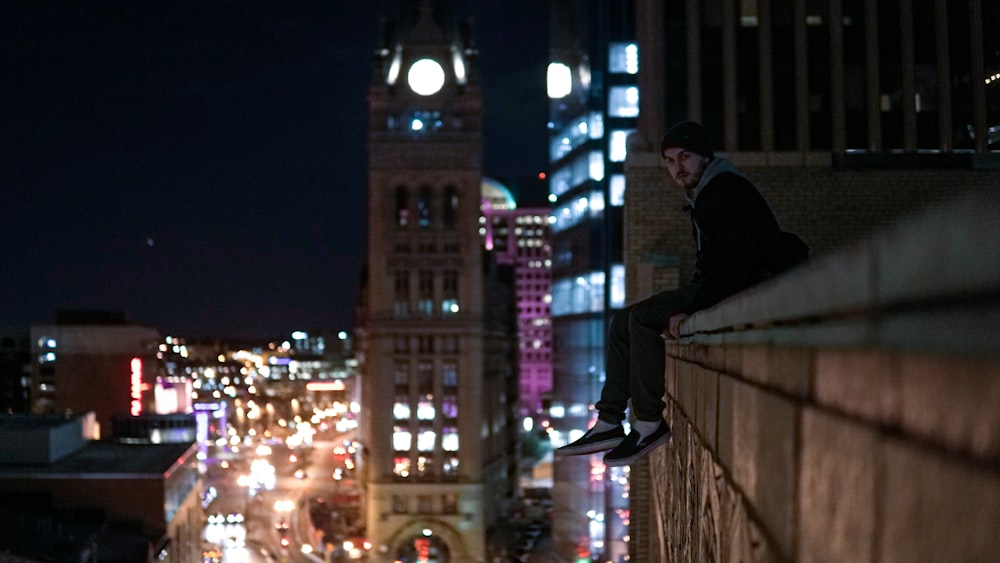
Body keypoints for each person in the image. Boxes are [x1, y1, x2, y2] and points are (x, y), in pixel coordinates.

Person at [555, 121, 805, 466]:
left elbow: (738, 264)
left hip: (742, 286)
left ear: (704, 157)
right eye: (670, 161)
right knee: (623, 319)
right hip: (721, 284)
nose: (677, 168)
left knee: (641, 318)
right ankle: (610, 421)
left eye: (685, 157)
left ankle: (648, 423)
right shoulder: (706, 193)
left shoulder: (723, 190)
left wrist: (695, 309)